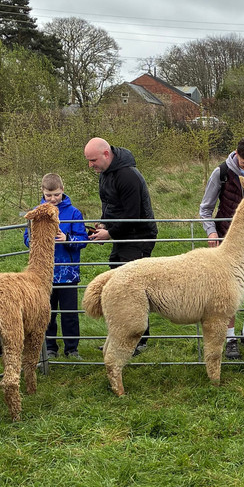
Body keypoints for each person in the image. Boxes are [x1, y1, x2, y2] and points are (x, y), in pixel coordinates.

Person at [199, 135, 244, 360]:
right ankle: (230, 337)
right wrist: (211, 231)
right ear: (236, 154)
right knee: (228, 291)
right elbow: (205, 208)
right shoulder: (221, 173)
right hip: (227, 239)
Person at [84, 137, 158, 354]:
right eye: (88, 161)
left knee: (131, 288)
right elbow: (111, 205)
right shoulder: (106, 173)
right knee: (118, 278)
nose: (91, 165)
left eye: (93, 160)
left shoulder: (127, 176)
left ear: (106, 154)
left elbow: (133, 214)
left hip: (139, 235)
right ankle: (125, 336)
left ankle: (137, 340)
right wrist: (103, 223)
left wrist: (110, 232)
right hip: (123, 235)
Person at [26, 173, 88, 360]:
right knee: (47, 313)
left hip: (67, 273)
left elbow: (83, 239)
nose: (53, 199)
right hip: (44, 275)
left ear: (62, 190)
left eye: (56, 195)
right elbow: (27, 238)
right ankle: (50, 347)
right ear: (43, 192)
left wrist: (67, 239)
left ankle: (72, 348)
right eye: (48, 195)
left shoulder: (74, 213)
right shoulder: (37, 212)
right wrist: (37, 240)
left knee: (69, 313)